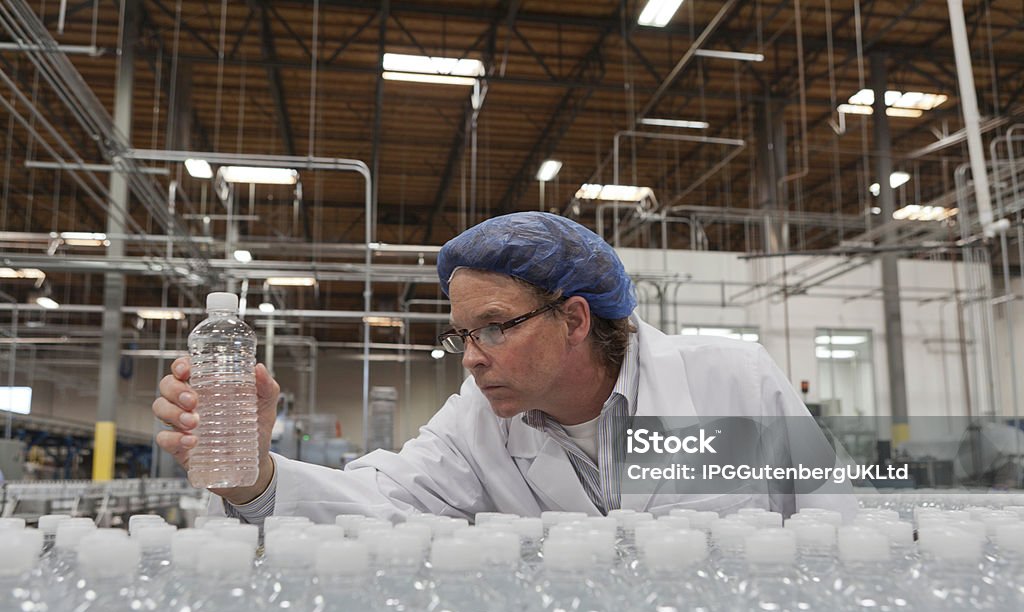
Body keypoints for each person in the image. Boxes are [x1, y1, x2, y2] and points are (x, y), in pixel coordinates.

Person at [154, 212, 857, 525]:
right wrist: (252, 472)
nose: (470, 355)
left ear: (576, 319)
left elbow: (841, 533)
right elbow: (379, 501)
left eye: (494, 327)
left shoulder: (732, 383)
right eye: (461, 332)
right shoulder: (477, 420)